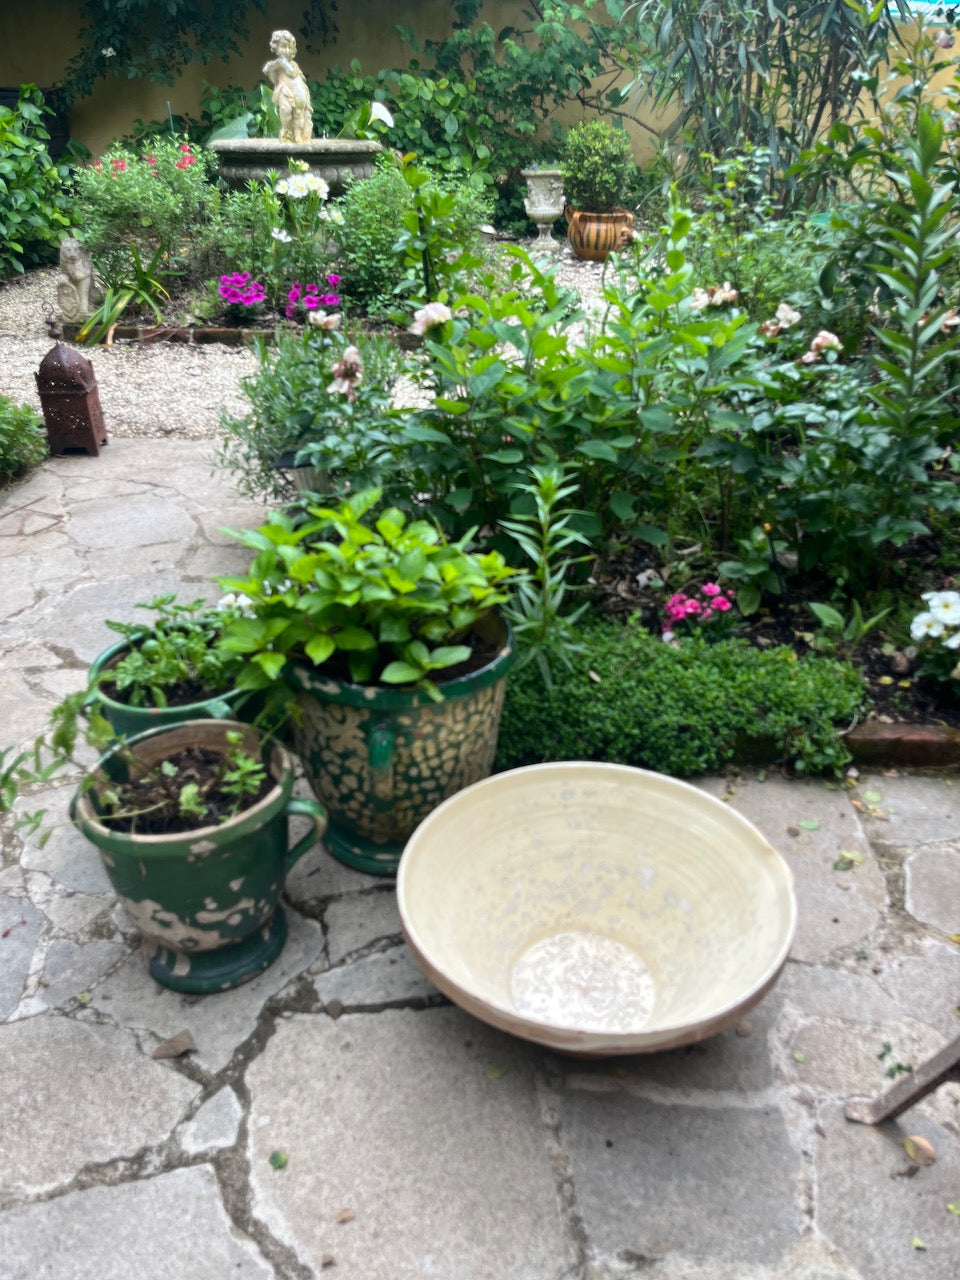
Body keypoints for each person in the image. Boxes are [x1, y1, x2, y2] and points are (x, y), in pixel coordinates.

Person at [263, 30, 313, 144]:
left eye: (289, 48)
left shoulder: (293, 64)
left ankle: (298, 135)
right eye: (283, 47)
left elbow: (292, 73)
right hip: (284, 91)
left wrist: (283, 64)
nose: (287, 50)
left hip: (298, 92)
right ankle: (286, 132)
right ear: (275, 48)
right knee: (286, 110)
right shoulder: (276, 65)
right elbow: (270, 75)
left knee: (299, 115)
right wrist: (273, 67)